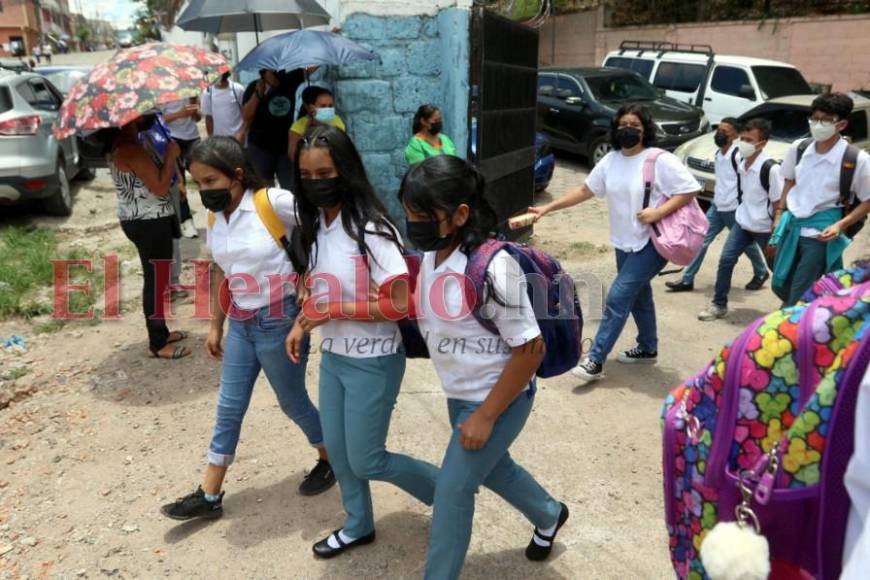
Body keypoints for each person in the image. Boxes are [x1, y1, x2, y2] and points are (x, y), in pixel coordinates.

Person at [399, 155, 569, 579]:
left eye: (422, 215)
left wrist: (486, 416)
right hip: (461, 395)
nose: (412, 223)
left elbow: (530, 350)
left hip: (501, 398)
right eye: (408, 213)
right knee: (495, 469)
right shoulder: (432, 258)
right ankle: (550, 513)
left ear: (459, 214)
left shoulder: (492, 267)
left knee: (453, 489)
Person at [160, 136, 335, 522]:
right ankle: (209, 495)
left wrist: (308, 282)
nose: (203, 192)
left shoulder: (272, 202)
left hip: (279, 320)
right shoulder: (213, 217)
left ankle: (331, 458)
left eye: (209, 182)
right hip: (240, 320)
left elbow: (322, 230)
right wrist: (214, 324)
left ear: (236, 176)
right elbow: (222, 268)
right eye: (197, 183)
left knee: (293, 403)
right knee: (229, 406)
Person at [285, 125, 439, 558]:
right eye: (307, 175)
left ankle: (448, 488)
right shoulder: (316, 225)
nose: (316, 182)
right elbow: (320, 293)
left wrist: (332, 310)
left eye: (325, 172)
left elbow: (397, 304)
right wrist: (303, 322)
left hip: (374, 359)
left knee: (368, 458)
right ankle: (358, 524)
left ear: (346, 171)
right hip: (335, 356)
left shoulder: (371, 229)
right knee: (338, 451)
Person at [529, 104, 700, 381]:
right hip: (624, 242)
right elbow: (586, 190)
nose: (628, 130)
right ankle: (647, 347)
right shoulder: (611, 160)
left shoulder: (659, 159)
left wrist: (657, 212)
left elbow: (690, 188)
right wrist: (548, 209)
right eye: (623, 125)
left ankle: (595, 360)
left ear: (645, 130)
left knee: (618, 297)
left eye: (634, 125)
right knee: (639, 296)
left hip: (652, 243)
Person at [771, 92, 870, 306]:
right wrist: (779, 213)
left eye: (826, 120)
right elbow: (789, 180)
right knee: (779, 283)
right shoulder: (799, 148)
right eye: (815, 118)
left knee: (798, 291)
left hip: (821, 233)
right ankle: (814, 316)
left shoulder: (856, 159)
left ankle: (790, 330)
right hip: (792, 225)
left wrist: (840, 225)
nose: (818, 124)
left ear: (841, 124)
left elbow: (867, 200)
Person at [110, 113, 190, 360]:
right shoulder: (130, 149)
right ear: (131, 118)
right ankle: (157, 343)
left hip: (151, 219)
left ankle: (162, 332)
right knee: (155, 280)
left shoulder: (135, 143)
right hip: (147, 222)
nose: (150, 114)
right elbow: (159, 187)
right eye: (143, 112)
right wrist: (170, 156)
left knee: (160, 277)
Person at [665, 117, 769, 293]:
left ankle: (761, 271)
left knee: (746, 244)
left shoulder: (738, 155)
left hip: (733, 208)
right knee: (701, 241)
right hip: (718, 205)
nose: (720, 134)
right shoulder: (718, 154)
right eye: (718, 129)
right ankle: (687, 279)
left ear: (735, 135)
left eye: (725, 131)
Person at [698, 118, 782, 321]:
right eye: (742, 138)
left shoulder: (770, 168)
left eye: (749, 140)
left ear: (762, 143)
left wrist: (775, 228)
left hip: (765, 228)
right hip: (743, 223)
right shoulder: (742, 164)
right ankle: (719, 304)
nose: (743, 143)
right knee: (726, 260)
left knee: (779, 269)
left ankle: (790, 306)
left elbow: (779, 202)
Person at [242, 68, 309, 188]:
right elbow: (246, 116)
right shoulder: (254, 86)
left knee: (291, 188)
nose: (277, 76)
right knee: (263, 189)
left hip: (284, 147)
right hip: (260, 147)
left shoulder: (289, 80)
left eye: (279, 72)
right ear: (264, 74)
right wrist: (257, 94)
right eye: (273, 73)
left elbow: (309, 69)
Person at [161, 97, 201, 239]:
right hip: (172, 138)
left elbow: (198, 118)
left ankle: (214, 212)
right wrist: (180, 114)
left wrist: (195, 110)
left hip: (193, 137)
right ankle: (186, 220)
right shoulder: (161, 92)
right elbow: (159, 119)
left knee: (202, 175)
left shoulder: (189, 91)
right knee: (180, 181)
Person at [288, 86, 345, 163]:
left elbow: (341, 148)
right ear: (311, 107)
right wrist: (309, 129)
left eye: (330, 106)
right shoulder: (298, 126)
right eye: (323, 106)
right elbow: (293, 155)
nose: (327, 109)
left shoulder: (337, 120)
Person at [201, 71, 246, 141]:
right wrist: (211, 139)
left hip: (237, 139)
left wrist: (241, 134)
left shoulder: (238, 89)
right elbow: (208, 118)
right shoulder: (207, 93)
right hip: (219, 141)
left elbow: (246, 115)